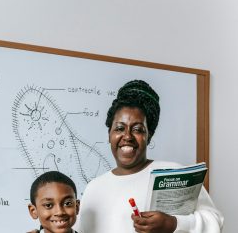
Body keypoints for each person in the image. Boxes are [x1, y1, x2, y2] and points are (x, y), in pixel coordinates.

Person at [73, 79, 224, 233]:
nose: (127, 136)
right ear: (109, 134)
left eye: (137, 129)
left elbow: (214, 222)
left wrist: (173, 224)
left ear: (149, 136)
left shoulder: (172, 172)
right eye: (119, 128)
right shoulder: (94, 188)